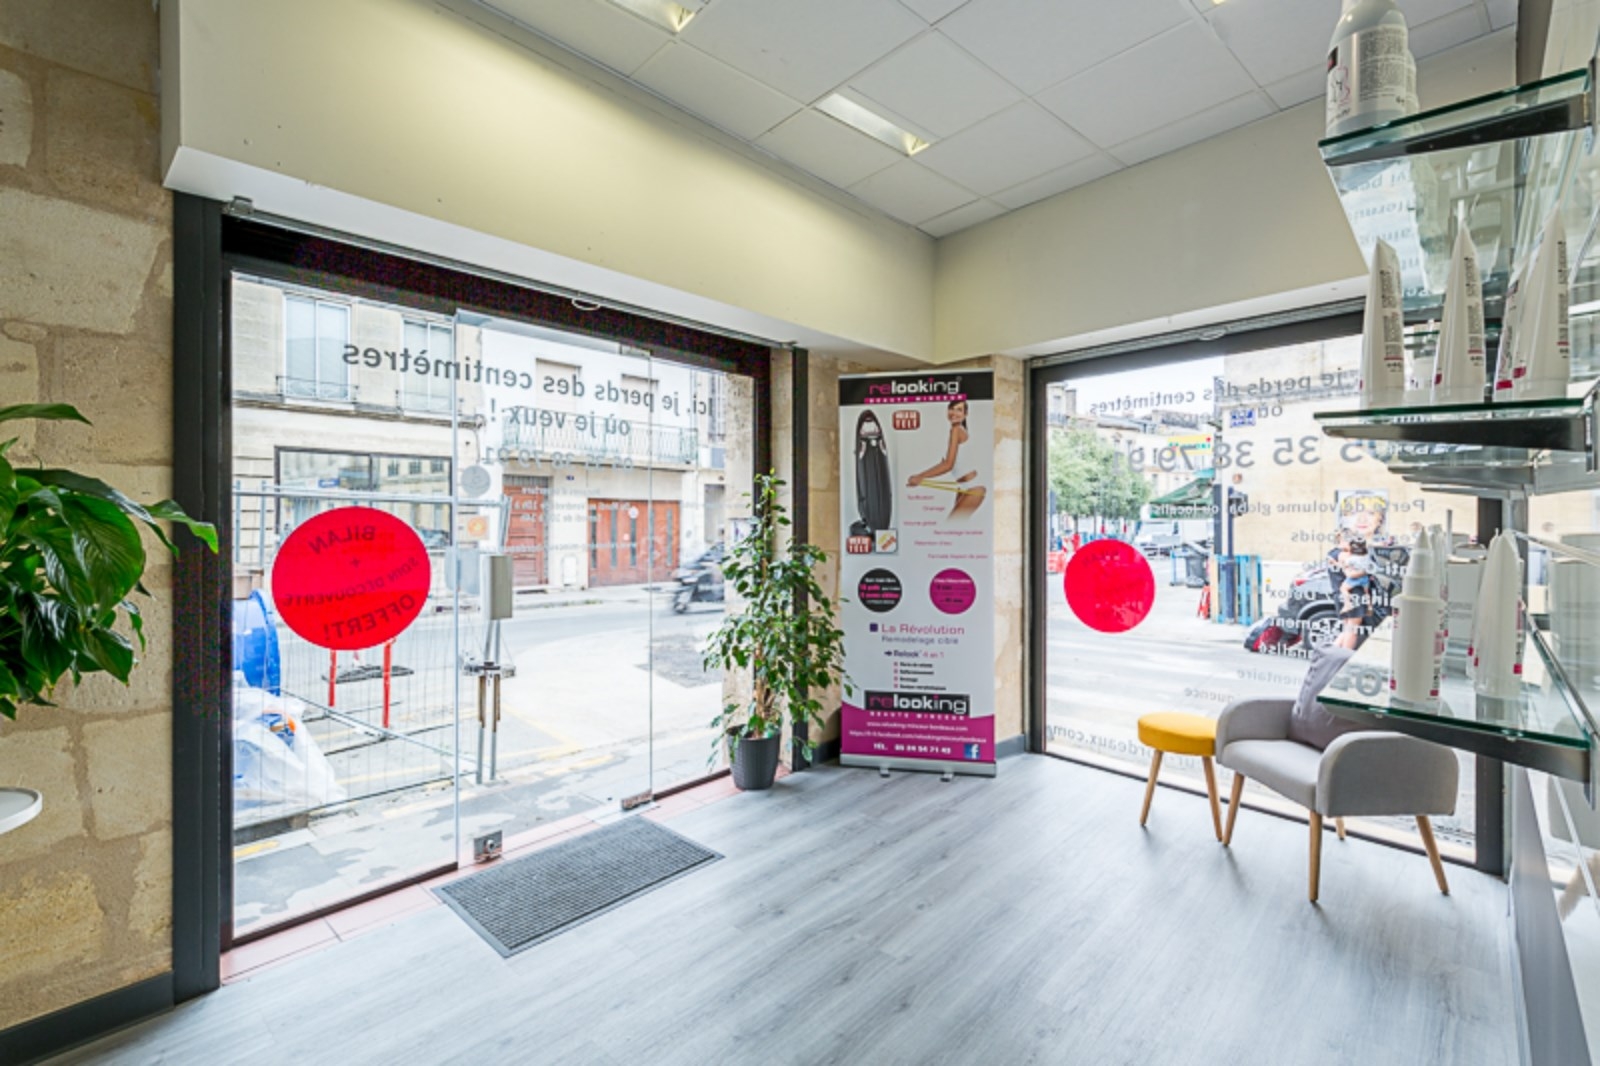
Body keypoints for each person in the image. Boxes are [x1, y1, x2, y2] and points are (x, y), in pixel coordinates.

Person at [907, 398, 985, 521]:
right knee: (955, 527)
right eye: (952, 409)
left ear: (965, 414)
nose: (954, 413)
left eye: (959, 410)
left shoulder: (956, 430)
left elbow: (948, 465)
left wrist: (920, 477)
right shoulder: (957, 430)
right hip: (963, 487)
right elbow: (946, 463)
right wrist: (920, 477)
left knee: (952, 524)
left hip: (973, 487)